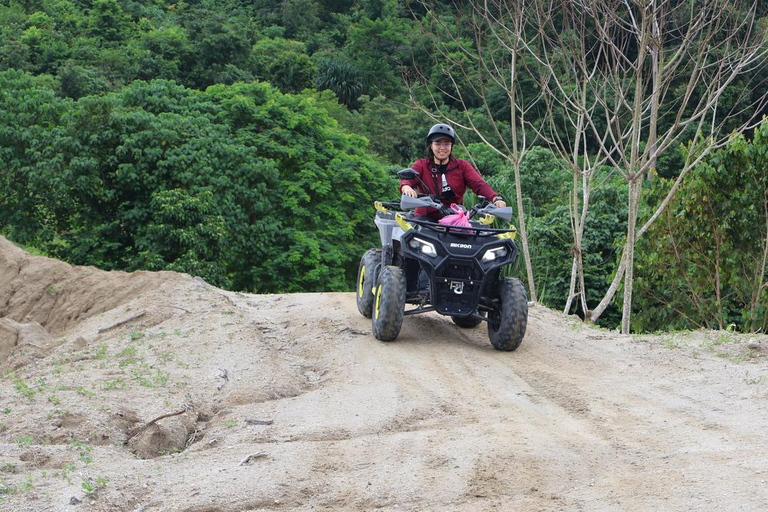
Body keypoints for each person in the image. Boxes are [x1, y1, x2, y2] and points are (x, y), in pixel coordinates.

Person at [400, 123, 506, 220]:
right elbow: (408, 180)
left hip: (455, 218)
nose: (442, 148)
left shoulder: (462, 166)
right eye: (438, 143)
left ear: (451, 145)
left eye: (446, 144)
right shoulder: (422, 165)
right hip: (426, 217)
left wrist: (495, 198)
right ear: (431, 145)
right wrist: (407, 187)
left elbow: (479, 184)